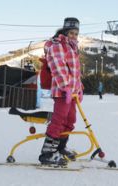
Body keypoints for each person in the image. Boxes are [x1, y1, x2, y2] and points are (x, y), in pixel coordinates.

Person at [39, 17, 83, 167]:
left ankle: (60, 148)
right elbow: (58, 68)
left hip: (72, 92)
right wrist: (65, 87)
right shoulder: (58, 46)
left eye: (76, 33)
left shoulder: (73, 47)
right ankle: (47, 154)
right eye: (71, 33)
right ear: (65, 31)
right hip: (61, 91)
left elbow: (76, 73)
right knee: (59, 120)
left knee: (71, 120)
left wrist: (79, 88)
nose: (73, 36)